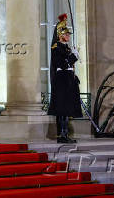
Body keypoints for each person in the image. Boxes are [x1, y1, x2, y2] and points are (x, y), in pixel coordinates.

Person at [48, 13, 82, 143]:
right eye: (66, 34)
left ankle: (66, 133)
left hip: (68, 79)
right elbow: (61, 64)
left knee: (67, 108)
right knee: (62, 108)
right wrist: (73, 57)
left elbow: (69, 65)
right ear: (60, 35)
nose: (68, 36)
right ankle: (62, 134)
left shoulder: (66, 48)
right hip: (61, 80)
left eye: (68, 34)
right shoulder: (56, 48)